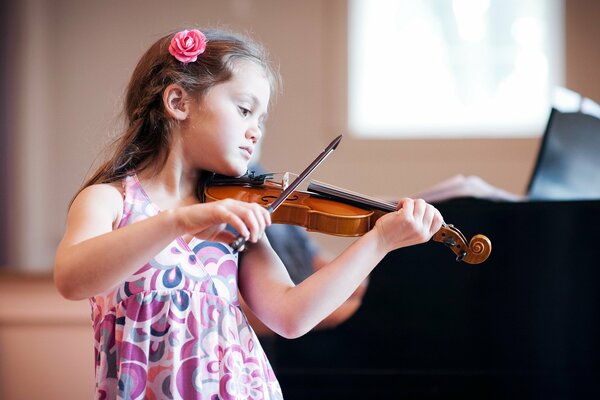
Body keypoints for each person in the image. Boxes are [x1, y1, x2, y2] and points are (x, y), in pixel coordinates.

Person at [53, 27, 444, 400]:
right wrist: (178, 220)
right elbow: (72, 279)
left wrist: (379, 241)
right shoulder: (110, 201)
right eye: (244, 110)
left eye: (261, 120)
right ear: (178, 102)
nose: (256, 131)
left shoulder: (229, 217)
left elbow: (291, 317)